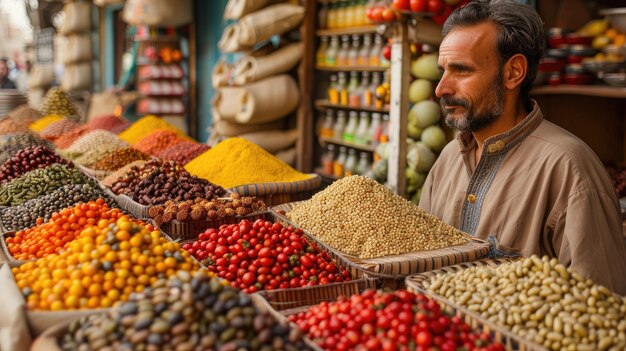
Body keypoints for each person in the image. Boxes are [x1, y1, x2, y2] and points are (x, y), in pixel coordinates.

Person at [419, 0, 626, 295]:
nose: (441, 88)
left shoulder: (568, 168)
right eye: (442, 71)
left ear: (513, 72)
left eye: (461, 70)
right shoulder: (449, 157)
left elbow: (600, 311)